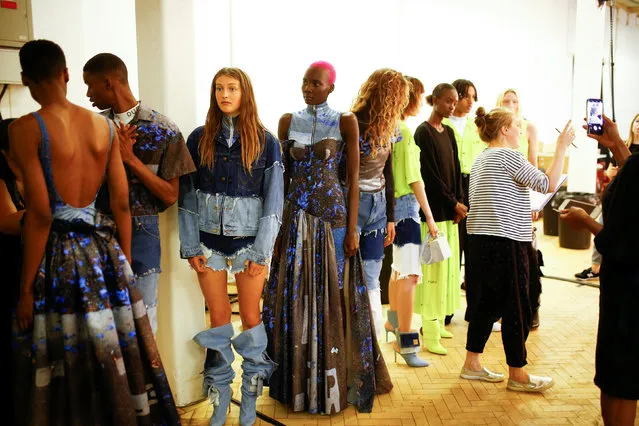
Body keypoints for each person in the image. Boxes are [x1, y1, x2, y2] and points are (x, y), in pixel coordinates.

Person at [10, 39, 179, 425]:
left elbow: (38, 215)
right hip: (104, 250)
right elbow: (121, 203)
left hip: (59, 256)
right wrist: (121, 261)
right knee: (113, 345)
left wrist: (24, 289)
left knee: (63, 348)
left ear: (25, 79)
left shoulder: (26, 129)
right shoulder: (102, 126)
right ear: (66, 74)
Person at [262, 61, 392, 415]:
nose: (308, 88)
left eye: (315, 83)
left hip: (332, 218)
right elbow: (283, 179)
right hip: (294, 217)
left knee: (334, 294)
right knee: (295, 293)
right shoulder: (288, 121)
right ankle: (298, 383)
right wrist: (275, 226)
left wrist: (352, 228)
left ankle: (334, 381)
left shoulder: (345, 121)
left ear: (330, 87)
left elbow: (351, 179)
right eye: (304, 81)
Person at [178, 67, 283, 426]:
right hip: (209, 245)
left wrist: (261, 252)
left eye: (232, 88)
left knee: (251, 320)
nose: (225, 94)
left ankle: (249, 404)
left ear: (245, 93)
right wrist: (191, 244)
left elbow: (273, 203)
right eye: (219, 88)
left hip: (249, 247)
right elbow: (187, 196)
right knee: (219, 322)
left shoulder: (266, 141)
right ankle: (221, 402)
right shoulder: (198, 138)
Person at [460, 106, 573, 392]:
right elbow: (546, 184)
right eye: (517, 126)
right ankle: (518, 374)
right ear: (504, 130)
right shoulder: (509, 156)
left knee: (486, 302)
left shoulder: (481, 158)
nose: (521, 131)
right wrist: (561, 148)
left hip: (480, 240)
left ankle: (471, 363)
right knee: (516, 305)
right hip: (506, 241)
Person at [83, 53, 196, 334]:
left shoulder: (163, 129)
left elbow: (170, 196)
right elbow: (83, 185)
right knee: (101, 322)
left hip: (144, 234)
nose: (88, 94)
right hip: (98, 231)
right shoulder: (92, 128)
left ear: (109, 83)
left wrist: (130, 159)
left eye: (91, 85)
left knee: (144, 321)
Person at [560, 114, 637, 426]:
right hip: (619, 285)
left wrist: (587, 222)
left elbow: (626, 242)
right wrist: (616, 144)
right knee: (610, 370)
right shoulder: (631, 165)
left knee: (623, 377)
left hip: (632, 287)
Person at [384, 76, 438, 367]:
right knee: (410, 276)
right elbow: (414, 178)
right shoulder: (404, 129)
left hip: (393, 209)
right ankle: (407, 343)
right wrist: (429, 217)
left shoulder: (392, 128)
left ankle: (393, 325)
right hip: (406, 210)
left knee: (397, 272)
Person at [349, 68, 407, 338]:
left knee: (372, 279)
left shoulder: (391, 126)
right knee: (348, 275)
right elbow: (344, 173)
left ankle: (370, 347)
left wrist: (391, 218)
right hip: (352, 206)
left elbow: (388, 172)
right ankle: (351, 341)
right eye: (397, 95)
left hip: (378, 207)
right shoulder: (351, 122)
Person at [413, 83, 465, 355]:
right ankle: (429, 330)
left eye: (455, 102)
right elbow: (430, 177)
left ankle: (438, 321)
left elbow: (455, 171)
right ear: (434, 101)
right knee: (431, 276)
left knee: (446, 273)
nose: (452, 106)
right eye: (447, 101)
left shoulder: (451, 133)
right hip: (432, 214)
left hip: (449, 214)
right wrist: (452, 202)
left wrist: (459, 203)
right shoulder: (423, 132)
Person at [441, 79, 488, 325]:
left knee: (474, 251)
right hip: (451, 189)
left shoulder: (477, 126)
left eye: (473, 96)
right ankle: (446, 308)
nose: (470, 102)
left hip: (475, 187)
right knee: (451, 251)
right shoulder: (442, 125)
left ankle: (475, 309)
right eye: (466, 96)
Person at [575, 112, 639, 281]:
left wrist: (585, 221)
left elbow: (616, 243)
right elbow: (632, 172)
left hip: (626, 283)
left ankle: (595, 269)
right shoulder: (628, 151)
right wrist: (615, 144)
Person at [496, 89, 538, 166]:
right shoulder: (492, 127)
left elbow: (533, 164)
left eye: (515, 102)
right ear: (499, 104)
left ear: (518, 105)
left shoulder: (530, 128)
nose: (511, 105)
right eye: (506, 101)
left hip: (522, 176)